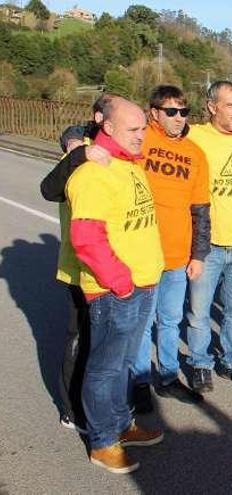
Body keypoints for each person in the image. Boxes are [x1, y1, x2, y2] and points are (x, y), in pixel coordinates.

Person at [66, 97, 165, 473]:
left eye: (143, 128)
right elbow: (87, 239)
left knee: (123, 363)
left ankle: (123, 424)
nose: (142, 136)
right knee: (105, 367)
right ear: (106, 127)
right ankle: (102, 441)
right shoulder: (94, 173)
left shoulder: (129, 164)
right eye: (133, 129)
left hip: (142, 283)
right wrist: (121, 284)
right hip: (115, 290)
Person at [130, 85, 209, 412]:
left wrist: (198, 254)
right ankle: (138, 381)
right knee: (142, 321)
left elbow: (201, 208)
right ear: (154, 113)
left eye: (184, 111)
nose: (179, 118)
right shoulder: (139, 139)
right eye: (171, 112)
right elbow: (99, 128)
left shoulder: (195, 153)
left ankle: (167, 375)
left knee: (170, 319)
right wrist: (74, 140)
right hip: (142, 251)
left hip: (178, 254)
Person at [40, 95, 114, 433]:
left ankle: (102, 401)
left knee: (106, 340)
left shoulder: (122, 150)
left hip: (116, 263)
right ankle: (70, 407)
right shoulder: (79, 150)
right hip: (80, 264)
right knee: (80, 336)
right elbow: (48, 188)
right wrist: (77, 150)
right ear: (100, 118)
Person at [185, 81, 232, 393]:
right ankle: (200, 363)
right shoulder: (196, 136)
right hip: (208, 243)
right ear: (212, 107)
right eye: (230, 105)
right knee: (199, 310)